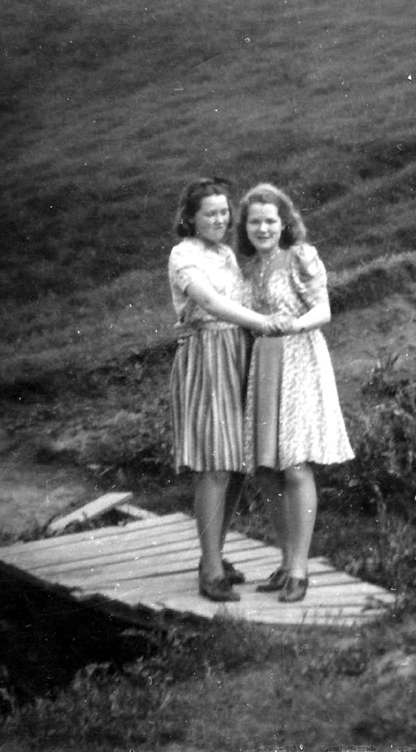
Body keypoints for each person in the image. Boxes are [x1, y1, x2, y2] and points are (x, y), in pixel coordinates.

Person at [168, 177, 290, 603]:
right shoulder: (183, 255)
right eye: (210, 213)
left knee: (236, 463)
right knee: (215, 464)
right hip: (207, 357)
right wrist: (261, 323)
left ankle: (213, 556)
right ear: (191, 218)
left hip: (238, 352)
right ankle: (211, 570)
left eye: (224, 212)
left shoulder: (224, 254)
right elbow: (211, 303)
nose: (220, 220)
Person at [234, 183, 354, 603]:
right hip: (264, 363)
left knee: (296, 466)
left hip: (299, 359)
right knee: (267, 469)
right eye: (254, 222)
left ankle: (300, 570)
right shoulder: (250, 267)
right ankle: (285, 562)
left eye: (270, 221)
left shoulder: (300, 256)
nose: (263, 229)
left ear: (284, 223)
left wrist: (293, 325)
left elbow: (324, 310)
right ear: (245, 227)